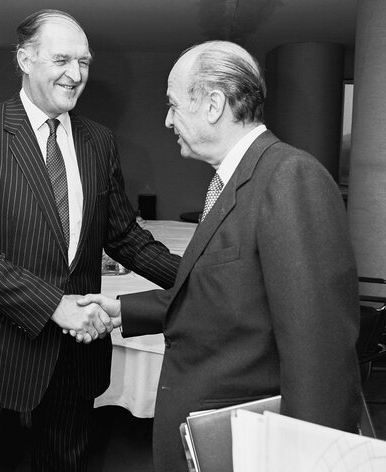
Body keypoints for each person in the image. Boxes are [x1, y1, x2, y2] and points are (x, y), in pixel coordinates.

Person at [79, 40, 362, 472]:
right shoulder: (231, 182)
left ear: (213, 105)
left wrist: (307, 458)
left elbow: (319, 359)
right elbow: (227, 292)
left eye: (174, 105)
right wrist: (124, 308)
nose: (168, 119)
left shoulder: (289, 177)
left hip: (247, 442)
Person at [0, 9, 180, 472]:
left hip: (73, 357)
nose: (76, 75)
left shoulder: (99, 141)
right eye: (62, 59)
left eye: (84, 62)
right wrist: (55, 305)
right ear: (25, 60)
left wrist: (196, 276)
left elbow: (125, 237)